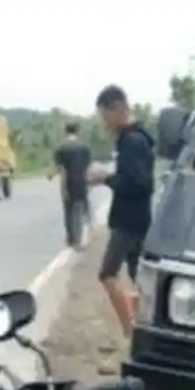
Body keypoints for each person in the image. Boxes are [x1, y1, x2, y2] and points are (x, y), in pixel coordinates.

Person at [90, 85, 154, 335]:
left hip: (128, 222)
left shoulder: (132, 141)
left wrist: (105, 177)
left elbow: (140, 185)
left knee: (107, 273)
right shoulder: (137, 139)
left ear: (117, 109)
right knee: (139, 279)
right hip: (138, 219)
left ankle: (131, 330)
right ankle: (144, 326)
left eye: (105, 116)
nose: (105, 123)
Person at [51, 121, 92, 249]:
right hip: (82, 181)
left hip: (68, 182)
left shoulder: (61, 148)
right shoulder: (84, 148)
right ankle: (81, 238)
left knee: (68, 210)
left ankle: (71, 238)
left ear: (65, 131)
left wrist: (51, 175)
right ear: (77, 131)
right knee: (81, 209)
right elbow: (88, 167)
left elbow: (60, 168)